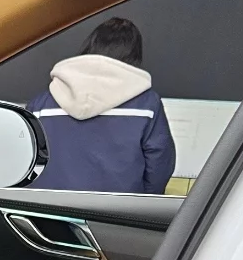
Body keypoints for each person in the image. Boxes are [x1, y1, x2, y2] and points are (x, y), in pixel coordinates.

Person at [29, 17, 176, 193]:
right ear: (134, 56)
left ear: (90, 47)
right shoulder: (147, 105)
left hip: (48, 206)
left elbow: (22, 160)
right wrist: (142, 201)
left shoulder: (41, 105)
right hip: (116, 208)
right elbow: (159, 165)